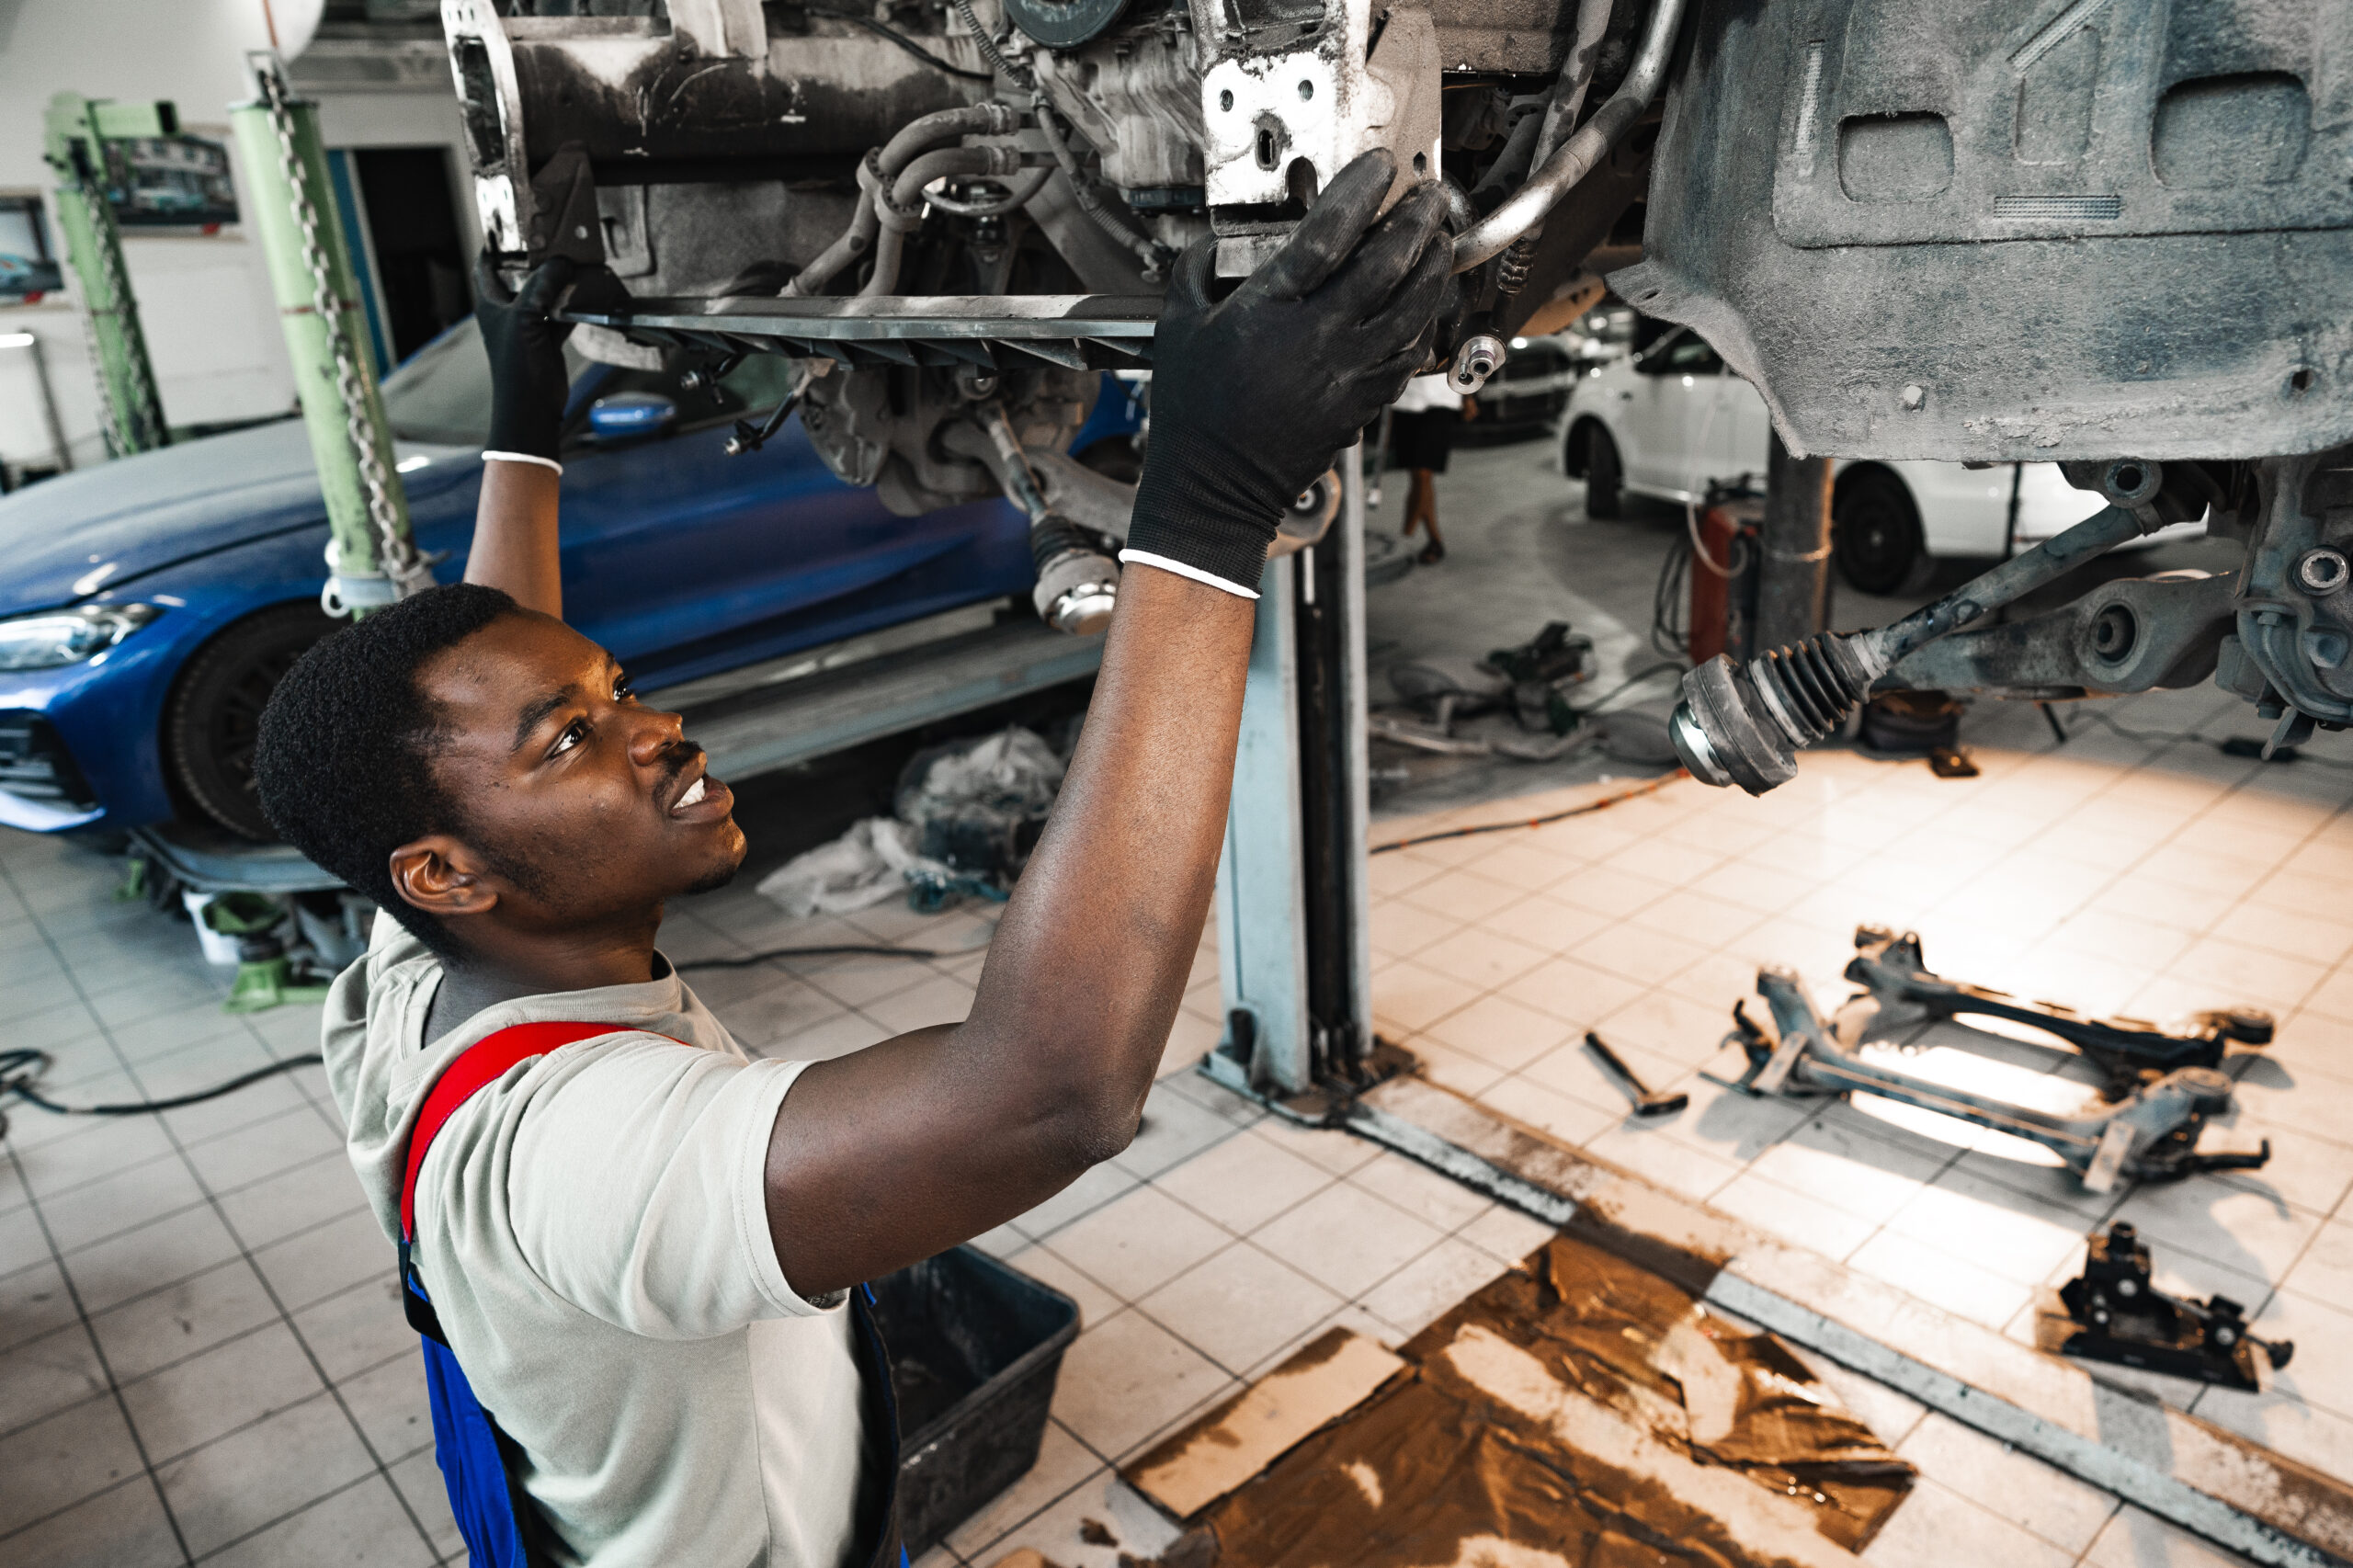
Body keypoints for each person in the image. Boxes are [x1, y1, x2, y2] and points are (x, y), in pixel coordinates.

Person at [250, 148, 1449, 1568]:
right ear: (447, 871)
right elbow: (1049, 1091)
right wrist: (1204, 513)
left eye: (616, 688)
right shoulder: (572, 1155)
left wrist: (531, 399)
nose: (660, 730)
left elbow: (489, 659)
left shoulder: (414, 964)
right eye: (576, 739)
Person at [1386, 369, 1472, 565]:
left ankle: (1418, 533)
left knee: (1423, 473)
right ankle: (1430, 539)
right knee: (1418, 475)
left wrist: (1469, 396)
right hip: (1406, 397)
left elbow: (1462, 351)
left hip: (1441, 397)